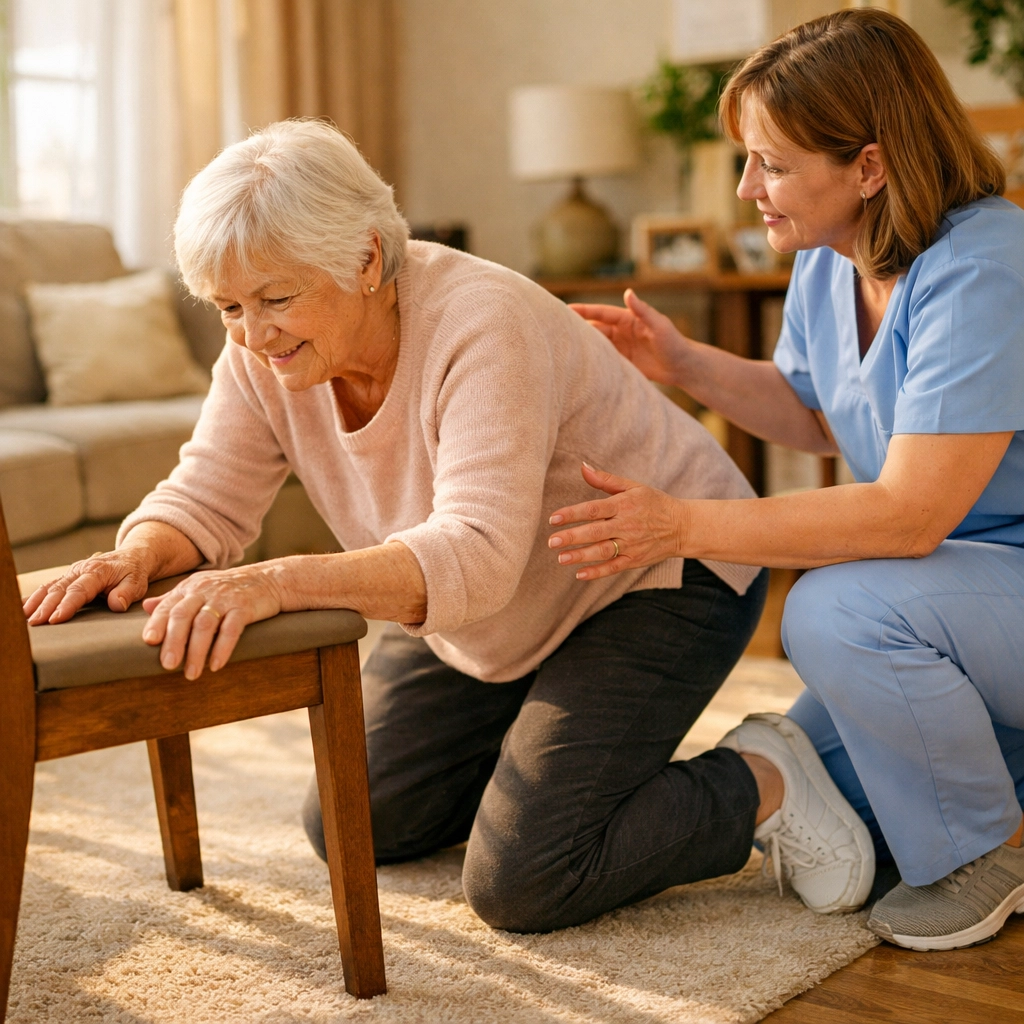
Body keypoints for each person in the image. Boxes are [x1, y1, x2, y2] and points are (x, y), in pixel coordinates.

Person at [21, 119, 875, 933]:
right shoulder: (260, 352)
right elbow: (207, 495)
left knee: (524, 876)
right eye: (227, 307)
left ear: (364, 258)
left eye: (275, 298)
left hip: (650, 575)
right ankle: (550, 754)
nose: (252, 335)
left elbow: (476, 554)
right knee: (361, 820)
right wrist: (135, 554)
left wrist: (277, 581)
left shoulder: (481, 320)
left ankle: (768, 775)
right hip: (495, 609)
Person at [554, 8, 1024, 951]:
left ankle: (991, 852)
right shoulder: (829, 259)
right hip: (954, 604)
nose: (746, 188)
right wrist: (682, 362)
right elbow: (814, 410)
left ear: (870, 166)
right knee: (809, 764)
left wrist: (681, 525)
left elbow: (908, 515)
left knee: (832, 614)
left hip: (982, 579)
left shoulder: (985, 268)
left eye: (771, 163)